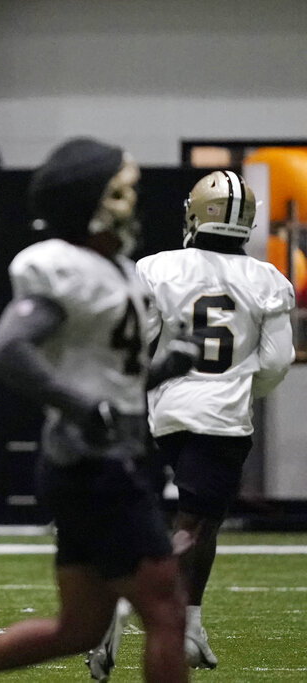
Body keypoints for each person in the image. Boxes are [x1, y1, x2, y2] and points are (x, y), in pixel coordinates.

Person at [0, 137, 197, 682]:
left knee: (80, 628)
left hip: (98, 462)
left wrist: (165, 369)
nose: (135, 201)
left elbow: (112, 382)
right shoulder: (64, 268)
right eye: (123, 190)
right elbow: (7, 349)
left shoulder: (118, 271)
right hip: (95, 466)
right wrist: (83, 406)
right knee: (166, 610)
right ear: (95, 201)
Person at [86, 170, 295, 679]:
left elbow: (141, 346)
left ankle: (169, 617)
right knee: (199, 524)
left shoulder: (155, 268)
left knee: (144, 513)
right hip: (223, 414)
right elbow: (276, 362)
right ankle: (160, 611)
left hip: (158, 407)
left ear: (194, 213)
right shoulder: (269, 279)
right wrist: (242, 388)